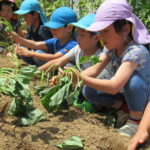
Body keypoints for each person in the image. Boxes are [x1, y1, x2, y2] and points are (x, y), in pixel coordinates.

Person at [60, 0, 150, 137]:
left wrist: (80, 77)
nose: (101, 36)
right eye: (100, 31)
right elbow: (94, 70)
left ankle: (135, 121)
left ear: (125, 29)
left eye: (106, 31)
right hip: (123, 93)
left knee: (134, 82)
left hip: (143, 96)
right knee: (88, 89)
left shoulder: (136, 51)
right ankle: (125, 109)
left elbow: (114, 86)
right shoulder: (111, 48)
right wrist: (68, 77)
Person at [12, 0, 53, 65]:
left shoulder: (44, 29)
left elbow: (50, 48)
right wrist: (17, 45)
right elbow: (27, 43)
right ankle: (35, 65)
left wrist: (19, 39)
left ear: (36, 14)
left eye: (26, 16)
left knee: (38, 51)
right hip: (35, 55)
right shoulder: (31, 27)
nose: (25, 19)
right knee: (20, 49)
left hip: (48, 58)